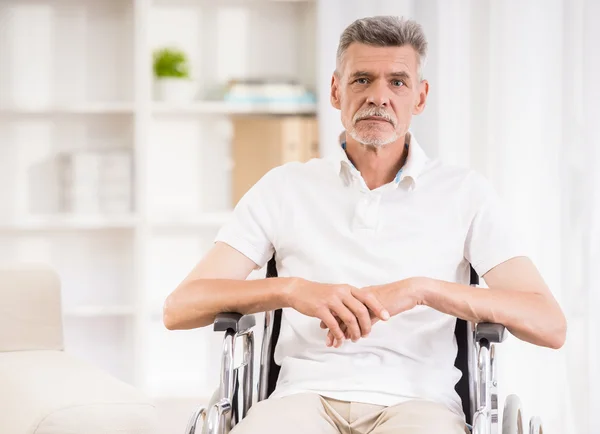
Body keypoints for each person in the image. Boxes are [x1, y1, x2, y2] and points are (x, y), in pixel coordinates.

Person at [163, 16, 566, 434]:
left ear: (420, 97)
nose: (379, 96)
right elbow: (180, 307)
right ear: (337, 91)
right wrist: (293, 290)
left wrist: (421, 290)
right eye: (361, 80)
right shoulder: (285, 187)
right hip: (302, 399)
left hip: (419, 404)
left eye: (397, 82)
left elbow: (550, 324)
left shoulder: (465, 193)